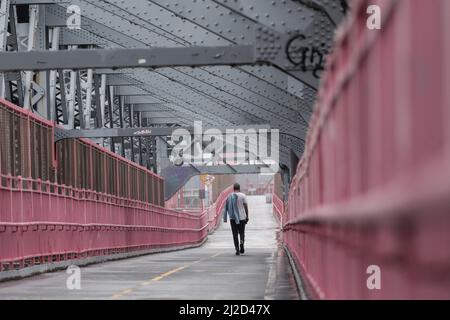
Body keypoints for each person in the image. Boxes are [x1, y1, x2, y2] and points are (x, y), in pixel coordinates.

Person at [223, 183, 249, 255]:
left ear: (233, 189)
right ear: (239, 188)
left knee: (235, 234)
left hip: (233, 218)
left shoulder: (229, 196)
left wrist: (225, 217)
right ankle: (241, 244)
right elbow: (245, 207)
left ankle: (237, 249)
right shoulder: (243, 196)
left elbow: (226, 207)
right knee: (242, 233)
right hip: (242, 218)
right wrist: (247, 216)